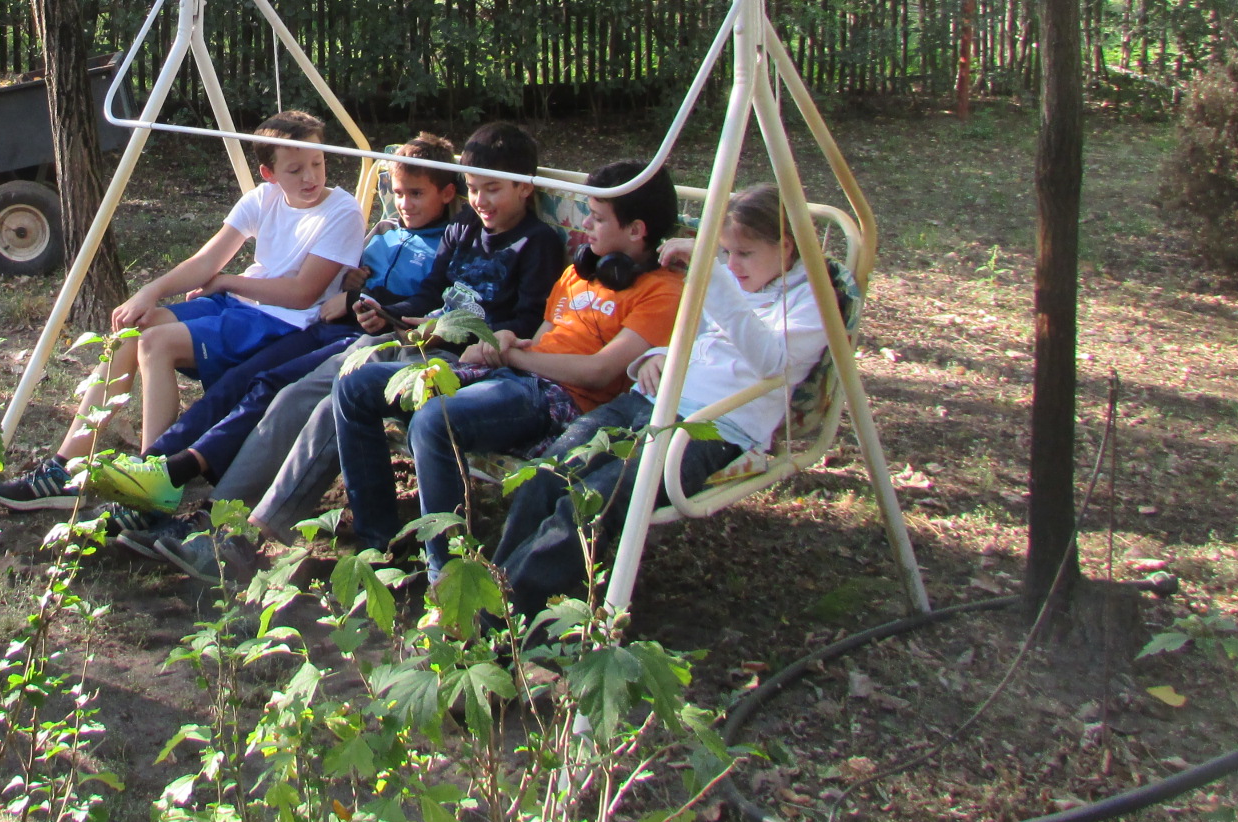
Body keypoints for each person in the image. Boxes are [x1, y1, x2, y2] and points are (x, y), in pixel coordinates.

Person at [157, 122, 567, 581]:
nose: (481, 201)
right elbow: (429, 294)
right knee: (296, 393)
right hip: (409, 338)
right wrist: (383, 312)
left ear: (525, 188)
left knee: (339, 397)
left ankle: (238, 534)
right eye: (473, 189)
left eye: (493, 190)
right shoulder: (464, 228)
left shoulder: (538, 243)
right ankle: (219, 516)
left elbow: (526, 322)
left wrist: (447, 332)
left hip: (461, 360)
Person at [0, 110, 366, 513]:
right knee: (132, 332)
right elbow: (207, 261)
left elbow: (303, 294)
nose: (310, 177)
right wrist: (150, 291)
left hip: (282, 322)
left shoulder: (341, 212)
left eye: (317, 163)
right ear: (269, 174)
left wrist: (229, 281)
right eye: (295, 170)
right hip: (241, 307)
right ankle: (64, 468)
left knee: (157, 343)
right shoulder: (264, 198)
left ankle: (151, 481)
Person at [96, 135, 461, 547]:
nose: (404, 203)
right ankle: (154, 467)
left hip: (369, 337)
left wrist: (361, 297)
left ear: (447, 194)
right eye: (398, 193)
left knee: (278, 391)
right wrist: (355, 281)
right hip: (331, 326)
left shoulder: (449, 241)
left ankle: (195, 493)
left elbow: (430, 298)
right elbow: (354, 269)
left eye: (416, 194)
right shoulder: (385, 232)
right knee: (245, 381)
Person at [333, 156, 682, 582]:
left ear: (637, 230)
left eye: (597, 218)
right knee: (355, 385)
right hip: (515, 378)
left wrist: (511, 355)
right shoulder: (579, 273)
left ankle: (447, 577)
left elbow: (599, 372)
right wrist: (505, 341)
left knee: (435, 420)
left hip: (563, 399)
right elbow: (543, 337)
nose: (586, 227)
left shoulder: (663, 292)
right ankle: (379, 541)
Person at [493, 183, 830, 620]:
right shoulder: (735, 278)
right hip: (650, 398)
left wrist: (714, 276)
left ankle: (503, 621)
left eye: (744, 254)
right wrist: (656, 355)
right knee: (547, 476)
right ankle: (495, 596)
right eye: (726, 253)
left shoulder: (810, 301)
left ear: (784, 247)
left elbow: (771, 363)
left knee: (592, 502)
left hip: (710, 426)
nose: (733, 265)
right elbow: (698, 337)